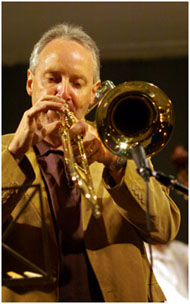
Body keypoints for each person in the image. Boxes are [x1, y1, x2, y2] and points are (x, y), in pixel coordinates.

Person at [2, 23, 181, 302]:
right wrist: (14, 153)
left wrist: (115, 163)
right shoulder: (4, 152)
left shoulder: (119, 146)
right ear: (29, 83)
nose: (63, 93)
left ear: (93, 93)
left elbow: (164, 228)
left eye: (76, 83)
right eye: (52, 78)